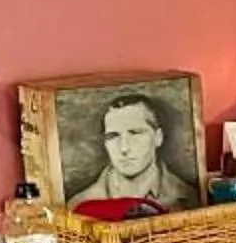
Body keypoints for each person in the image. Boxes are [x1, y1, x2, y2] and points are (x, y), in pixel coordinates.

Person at [68, 89, 197, 209]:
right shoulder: (80, 205)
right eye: (113, 136)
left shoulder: (189, 198)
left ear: (158, 137)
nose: (124, 148)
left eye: (135, 133)